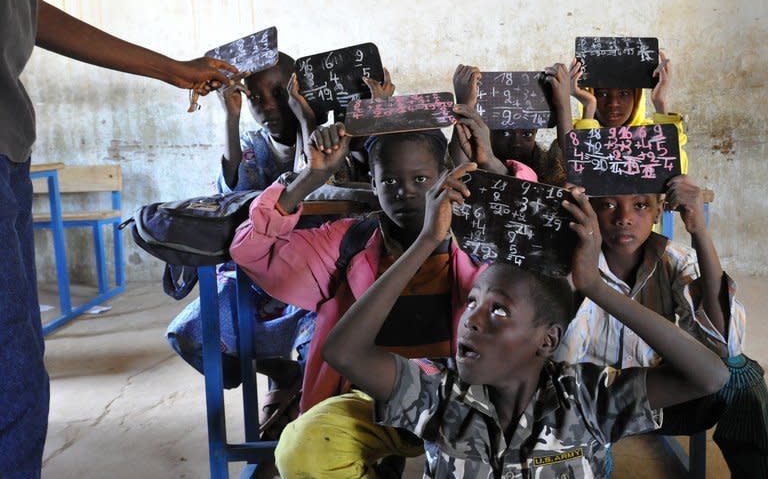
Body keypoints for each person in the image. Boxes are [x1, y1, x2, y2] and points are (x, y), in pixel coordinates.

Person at [323, 167, 729, 478]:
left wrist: (596, 287)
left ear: (548, 340)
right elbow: (344, 352)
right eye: (472, 303)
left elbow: (709, 377)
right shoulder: (439, 393)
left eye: (498, 310)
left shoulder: (586, 401)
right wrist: (427, 240)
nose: (471, 321)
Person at [0, 0, 236, 476]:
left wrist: (171, 68)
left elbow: (30, 14)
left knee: (18, 362)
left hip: (10, 147)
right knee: (12, 374)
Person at [229, 125, 484, 477]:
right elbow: (252, 252)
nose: (405, 192)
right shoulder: (349, 244)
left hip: (463, 399)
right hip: (370, 401)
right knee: (304, 447)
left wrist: (487, 166)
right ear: (373, 183)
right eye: (389, 181)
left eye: (421, 179)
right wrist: (311, 177)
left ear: (444, 176)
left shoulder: (479, 242)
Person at [555, 176, 768, 477]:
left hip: (665, 399)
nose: (624, 218)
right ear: (589, 209)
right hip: (591, 405)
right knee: (554, 400)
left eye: (640, 205)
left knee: (742, 377)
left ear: (659, 211)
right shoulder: (568, 266)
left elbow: (726, 344)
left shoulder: (676, 260)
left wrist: (700, 232)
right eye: (607, 205)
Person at [166, 53, 314, 437]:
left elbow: (319, 174)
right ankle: (281, 372)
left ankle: (309, 408)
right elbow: (234, 193)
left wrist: (306, 119)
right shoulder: (250, 144)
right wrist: (231, 120)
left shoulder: (322, 137)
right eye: (255, 98)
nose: (267, 106)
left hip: (308, 278)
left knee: (325, 343)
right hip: (254, 277)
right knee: (189, 334)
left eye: (279, 93)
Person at [449, 63, 570, 186]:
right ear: (487, 131)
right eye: (505, 133)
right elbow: (460, 169)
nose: (516, 143)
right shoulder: (476, 157)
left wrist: (563, 105)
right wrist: (465, 104)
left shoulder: (547, 169)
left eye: (527, 134)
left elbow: (572, 168)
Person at [569, 50, 689, 173]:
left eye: (624, 93)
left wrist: (660, 102)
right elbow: (579, 170)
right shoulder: (572, 130)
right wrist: (588, 107)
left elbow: (674, 171)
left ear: (636, 98)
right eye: (602, 94)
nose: (613, 103)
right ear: (591, 93)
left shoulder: (651, 134)